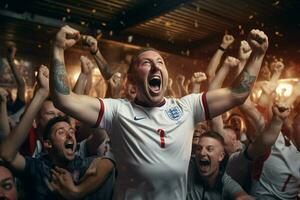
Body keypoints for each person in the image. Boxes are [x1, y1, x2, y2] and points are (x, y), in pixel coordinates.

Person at [49, 25, 268, 199]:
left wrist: (258, 55)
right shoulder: (117, 111)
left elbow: (237, 93)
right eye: (146, 62)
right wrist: (58, 48)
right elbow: (63, 98)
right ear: (132, 80)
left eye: (160, 62)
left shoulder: (187, 107)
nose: (155, 66)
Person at [0, 66, 115, 200]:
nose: (70, 135)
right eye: (61, 132)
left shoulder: (82, 163)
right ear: (47, 143)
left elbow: (109, 163)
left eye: (71, 131)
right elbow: (7, 152)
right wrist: (42, 92)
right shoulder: (38, 168)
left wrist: (78, 191)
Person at [187, 131, 253, 200]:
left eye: (209, 149)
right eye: (199, 148)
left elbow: (241, 195)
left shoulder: (224, 180)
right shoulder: (189, 167)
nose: (202, 153)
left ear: (221, 156)